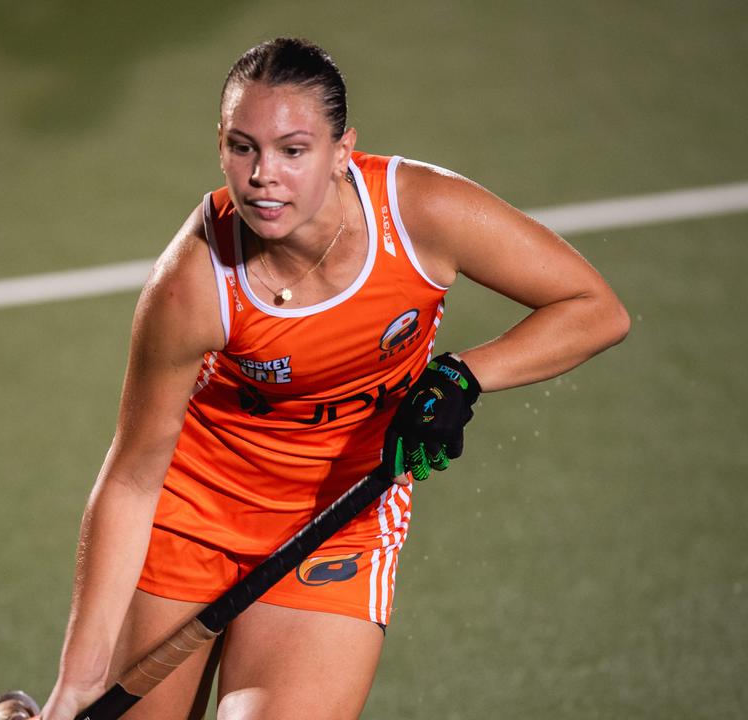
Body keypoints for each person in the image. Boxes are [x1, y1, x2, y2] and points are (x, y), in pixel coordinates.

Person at [37, 37, 630, 720]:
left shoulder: (420, 215)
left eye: (293, 150)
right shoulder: (194, 284)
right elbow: (134, 474)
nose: (263, 175)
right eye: (242, 147)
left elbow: (595, 309)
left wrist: (463, 376)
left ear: (342, 150)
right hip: (194, 521)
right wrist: (76, 688)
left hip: (339, 525)